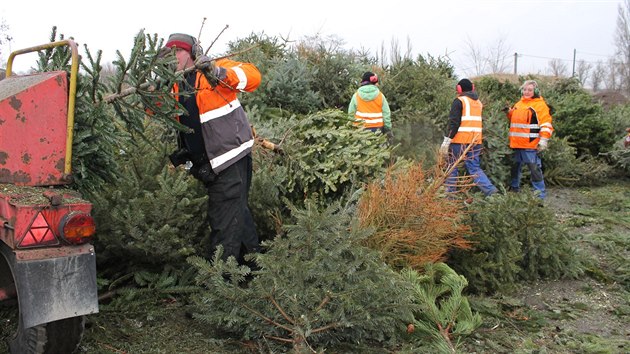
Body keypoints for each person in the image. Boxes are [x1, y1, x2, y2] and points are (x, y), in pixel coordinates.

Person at [164, 33, 261, 266]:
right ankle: (257, 265)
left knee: (223, 219)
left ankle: (223, 281)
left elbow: (253, 77)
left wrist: (218, 72)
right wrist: (155, 82)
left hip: (229, 160)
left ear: (194, 53)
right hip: (207, 165)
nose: (173, 57)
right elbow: (153, 108)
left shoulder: (214, 71)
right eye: (169, 53)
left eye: (178, 51)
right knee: (236, 212)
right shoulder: (176, 84)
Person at [440, 78, 497, 197]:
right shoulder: (478, 102)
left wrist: (447, 141)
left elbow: (454, 123)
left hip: (459, 141)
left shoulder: (459, 101)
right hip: (475, 141)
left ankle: (450, 197)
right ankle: (491, 191)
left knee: (452, 166)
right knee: (474, 168)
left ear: (459, 89)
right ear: (472, 87)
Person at [505, 79, 554, 199]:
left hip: (530, 145)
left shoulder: (540, 105)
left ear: (535, 91)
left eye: (530, 90)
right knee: (515, 168)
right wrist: (509, 112)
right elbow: (515, 120)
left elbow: (546, 124)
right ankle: (514, 189)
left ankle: (539, 195)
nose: (526, 92)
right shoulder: (518, 104)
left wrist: (543, 140)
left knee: (534, 169)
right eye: (525, 89)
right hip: (516, 144)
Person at [347, 71, 393, 143]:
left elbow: (351, 113)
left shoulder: (356, 95)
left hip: (360, 128)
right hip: (377, 129)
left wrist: (350, 127)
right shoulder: (380, 96)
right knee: (377, 151)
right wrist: (388, 128)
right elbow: (386, 113)